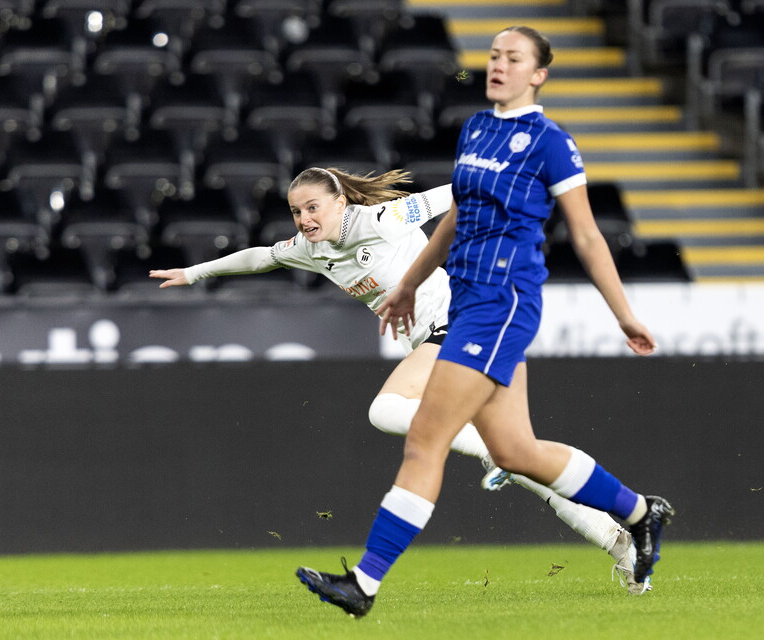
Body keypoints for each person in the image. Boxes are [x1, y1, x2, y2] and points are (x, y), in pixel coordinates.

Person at [293, 26, 674, 618]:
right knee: (518, 450)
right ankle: (639, 514)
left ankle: (363, 585)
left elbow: (587, 234)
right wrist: (410, 286)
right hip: (471, 299)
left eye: (513, 58)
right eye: (494, 55)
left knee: (424, 440)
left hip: (503, 302)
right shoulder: (477, 131)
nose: (498, 65)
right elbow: (452, 222)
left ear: (538, 74)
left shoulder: (551, 143)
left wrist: (624, 314)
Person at [150, 165, 647, 596]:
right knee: (523, 463)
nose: (304, 219)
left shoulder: (382, 219)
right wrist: (193, 273)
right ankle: (623, 544)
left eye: (313, 207)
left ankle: (495, 456)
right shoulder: (310, 248)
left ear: (341, 202)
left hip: (462, 322)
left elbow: (452, 194)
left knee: (386, 409)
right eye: (297, 211)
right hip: (443, 336)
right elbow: (260, 256)